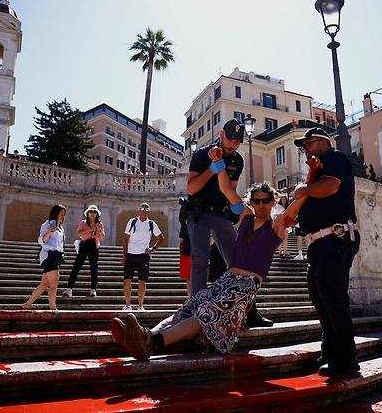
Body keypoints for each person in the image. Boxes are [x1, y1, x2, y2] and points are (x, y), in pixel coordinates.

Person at [110, 154, 306, 361]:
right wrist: (219, 164)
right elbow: (226, 190)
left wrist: (309, 180)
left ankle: (151, 343)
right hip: (227, 279)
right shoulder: (246, 217)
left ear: (274, 201)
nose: (261, 205)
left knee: (206, 312)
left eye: (266, 200)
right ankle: (144, 334)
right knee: (190, 306)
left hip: (247, 285)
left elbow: (299, 200)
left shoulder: (276, 226)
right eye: (256, 201)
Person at [186, 118, 273, 327]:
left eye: (237, 141)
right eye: (230, 139)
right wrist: (211, 170)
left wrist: (241, 211)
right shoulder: (200, 155)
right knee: (200, 261)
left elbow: (229, 191)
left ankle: (250, 311)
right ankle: (197, 311)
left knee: (239, 261)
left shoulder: (237, 161)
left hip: (221, 215)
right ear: (221, 135)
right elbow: (191, 188)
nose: (232, 144)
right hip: (199, 213)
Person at [292, 127, 360, 377]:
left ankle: (345, 360)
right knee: (321, 299)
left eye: (308, 144)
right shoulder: (319, 167)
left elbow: (330, 187)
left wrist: (305, 190)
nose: (305, 149)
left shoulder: (335, 159)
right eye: (303, 147)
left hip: (336, 238)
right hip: (320, 243)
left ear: (322, 142)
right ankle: (331, 352)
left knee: (333, 299)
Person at [121, 203, 164, 311]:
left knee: (142, 281)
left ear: (149, 211)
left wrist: (153, 248)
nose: (144, 210)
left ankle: (140, 306)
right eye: (142, 208)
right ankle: (127, 305)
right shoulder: (132, 222)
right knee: (127, 281)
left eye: (146, 209)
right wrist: (124, 256)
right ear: (139, 211)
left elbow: (161, 237)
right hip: (130, 254)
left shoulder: (151, 224)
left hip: (143, 255)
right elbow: (125, 239)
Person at [22, 205, 66, 311]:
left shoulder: (61, 228)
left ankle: (27, 304)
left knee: (45, 284)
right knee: (54, 282)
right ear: (55, 213)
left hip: (57, 256)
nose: (62, 216)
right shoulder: (47, 224)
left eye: (64, 214)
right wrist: (48, 233)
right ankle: (53, 308)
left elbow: (60, 244)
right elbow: (40, 241)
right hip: (47, 255)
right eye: (61, 213)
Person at [63, 205, 105, 298]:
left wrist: (100, 231)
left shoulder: (100, 224)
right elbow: (78, 233)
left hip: (94, 246)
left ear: (97, 214)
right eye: (91, 212)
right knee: (76, 267)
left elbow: (102, 237)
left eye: (94, 212)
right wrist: (90, 230)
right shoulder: (83, 223)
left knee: (94, 268)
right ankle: (69, 289)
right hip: (84, 245)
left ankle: (93, 289)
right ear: (88, 214)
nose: (93, 213)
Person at [178, 198, 192, 298]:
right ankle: (191, 298)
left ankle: (193, 297)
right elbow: (181, 242)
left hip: (197, 253)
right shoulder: (185, 226)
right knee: (188, 278)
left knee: (193, 278)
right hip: (187, 253)